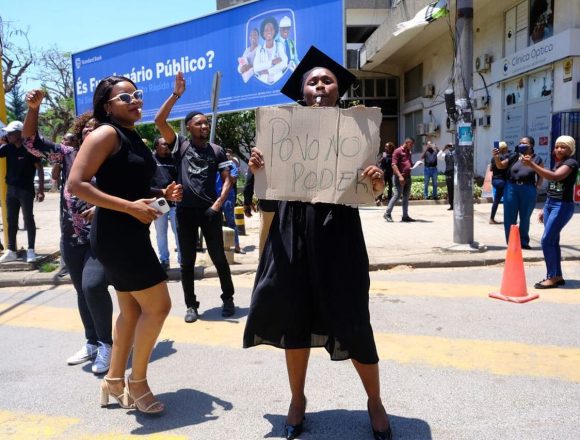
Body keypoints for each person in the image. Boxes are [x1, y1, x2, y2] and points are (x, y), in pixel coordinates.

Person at [243, 46, 392, 440]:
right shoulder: (281, 130)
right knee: (295, 317)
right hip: (291, 233)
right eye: (313, 81)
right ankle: (297, 400)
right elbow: (266, 198)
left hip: (338, 233)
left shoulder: (357, 130)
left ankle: (374, 401)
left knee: (354, 319)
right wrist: (258, 170)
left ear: (338, 89)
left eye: (327, 80)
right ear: (302, 91)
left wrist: (377, 179)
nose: (321, 85)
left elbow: (373, 189)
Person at [68, 76, 182, 414]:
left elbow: (125, 184)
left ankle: (114, 380)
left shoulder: (130, 134)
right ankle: (137, 382)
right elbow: (77, 183)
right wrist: (131, 207)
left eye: (137, 94)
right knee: (158, 306)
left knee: (132, 310)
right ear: (107, 105)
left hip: (127, 231)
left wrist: (160, 195)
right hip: (117, 234)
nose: (134, 100)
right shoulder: (105, 133)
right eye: (125, 97)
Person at [22, 92, 113, 374]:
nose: (90, 129)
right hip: (70, 236)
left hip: (103, 235)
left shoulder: (114, 158)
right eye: (86, 126)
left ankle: (108, 344)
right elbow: (30, 142)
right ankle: (92, 342)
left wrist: (100, 209)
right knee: (80, 290)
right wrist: (34, 109)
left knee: (93, 286)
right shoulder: (67, 153)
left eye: (96, 126)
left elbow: (127, 191)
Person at [154, 71, 236, 324]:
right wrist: (176, 94)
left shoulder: (217, 150)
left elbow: (228, 179)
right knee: (186, 262)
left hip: (210, 211)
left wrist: (217, 205)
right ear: (189, 127)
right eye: (198, 123)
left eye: (205, 123)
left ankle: (228, 298)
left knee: (219, 258)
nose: (203, 126)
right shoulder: (180, 145)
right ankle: (191, 305)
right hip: (185, 212)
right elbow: (159, 120)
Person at [521, 135, 578, 288]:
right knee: (553, 241)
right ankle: (557, 276)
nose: (559, 149)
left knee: (546, 240)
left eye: (563, 147)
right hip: (551, 204)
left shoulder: (571, 163)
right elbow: (553, 188)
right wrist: (544, 208)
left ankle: (552, 277)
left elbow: (554, 177)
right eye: (557, 146)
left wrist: (532, 165)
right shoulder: (558, 162)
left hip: (562, 206)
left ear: (570, 149)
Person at [0, 120, 44, 263]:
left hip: (26, 190)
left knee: (28, 219)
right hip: (11, 190)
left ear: (20, 133)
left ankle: (31, 250)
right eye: (7, 133)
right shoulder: (7, 148)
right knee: (10, 220)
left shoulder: (29, 148)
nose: (8, 136)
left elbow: (40, 168)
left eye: (11, 133)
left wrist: (41, 190)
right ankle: (11, 251)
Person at [493, 136, 543, 249]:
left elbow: (541, 175)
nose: (521, 145)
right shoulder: (514, 156)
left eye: (524, 143)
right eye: (520, 143)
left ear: (531, 146)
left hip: (528, 189)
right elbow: (500, 165)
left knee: (525, 217)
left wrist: (537, 188)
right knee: (509, 217)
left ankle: (524, 242)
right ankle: (511, 242)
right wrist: (496, 157)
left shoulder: (537, 159)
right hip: (511, 188)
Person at [151, 136, 181, 270]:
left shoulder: (174, 159)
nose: (167, 146)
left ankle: (182, 260)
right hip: (160, 201)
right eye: (163, 144)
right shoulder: (151, 160)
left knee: (178, 231)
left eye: (167, 144)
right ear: (156, 146)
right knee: (161, 232)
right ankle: (164, 260)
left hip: (174, 201)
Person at [242, 168, 278, 256]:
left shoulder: (262, 155)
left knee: (265, 231)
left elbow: (250, 179)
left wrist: (247, 202)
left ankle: (262, 259)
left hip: (268, 198)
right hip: (290, 200)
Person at [216, 150, 244, 254]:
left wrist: (225, 172)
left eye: (228, 154)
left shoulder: (232, 165)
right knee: (215, 222)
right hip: (215, 196)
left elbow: (234, 179)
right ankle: (218, 247)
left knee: (231, 221)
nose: (226, 156)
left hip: (228, 196)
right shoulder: (215, 163)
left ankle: (236, 246)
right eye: (225, 154)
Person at [384, 138, 415, 223]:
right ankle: (387, 214)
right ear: (407, 142)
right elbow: (394, 165)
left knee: (406, 197)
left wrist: (413, 165)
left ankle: (405, 216)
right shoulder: (397, 151)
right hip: (399, 178)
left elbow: (408, 163)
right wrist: (400, 176)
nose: (412, 146)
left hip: (408, 177)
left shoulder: (408, 152)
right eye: (411, 144)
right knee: (397, 195)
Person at [253, 16, 288, 85]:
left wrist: (268, 71)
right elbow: (256, 67)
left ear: (275, 31)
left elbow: (285, 63)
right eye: (266, 29)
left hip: (278, 82)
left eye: (271, 29)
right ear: (263, 33)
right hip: (263, 84)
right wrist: (272, 62)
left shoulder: (279, 45)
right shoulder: (259, 49)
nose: (269, 31)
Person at [489, 141, 509, 224]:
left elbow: (490, 169)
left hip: (495, 181)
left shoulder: (493, 158)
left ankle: (491, 218)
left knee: (496, 200)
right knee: (508, 200)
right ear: (504, 149)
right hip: (502, 181)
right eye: (506, 148)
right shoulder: (504, 157)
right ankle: (509, 219)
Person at [441, 143, 454, 210]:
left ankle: (456, 204)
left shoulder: (457, 154)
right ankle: (451, 205)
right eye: (449, 146)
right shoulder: (446, 155)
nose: (450, 147)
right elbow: (439, 156)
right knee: (450, 190)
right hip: (448, 174)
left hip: (455, 174)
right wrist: (444, 149)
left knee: (455, 190)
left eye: (451, 146)